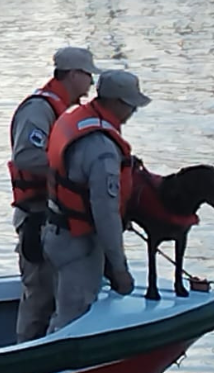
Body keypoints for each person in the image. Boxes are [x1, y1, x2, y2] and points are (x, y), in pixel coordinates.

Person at [41, 69, 152, 335]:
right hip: (77, 245)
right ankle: (59, 370)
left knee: (59, 309)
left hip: (53, 230)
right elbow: (106, 214)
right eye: (130, 105)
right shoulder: (102, 149)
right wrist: (119, 268)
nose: (133, 112)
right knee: (72, 321)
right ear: (114, 102)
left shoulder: (75, 118)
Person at [8, 46, 102, 343]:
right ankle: (23, 359)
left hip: (56, 218)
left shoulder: (64, 110)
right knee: (38, 298)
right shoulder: (39, 110)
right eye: (88, 76)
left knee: (54, 296)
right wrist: (72, 168)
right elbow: (25, 156)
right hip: (36, 217)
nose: (91, 84)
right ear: (73, 75)